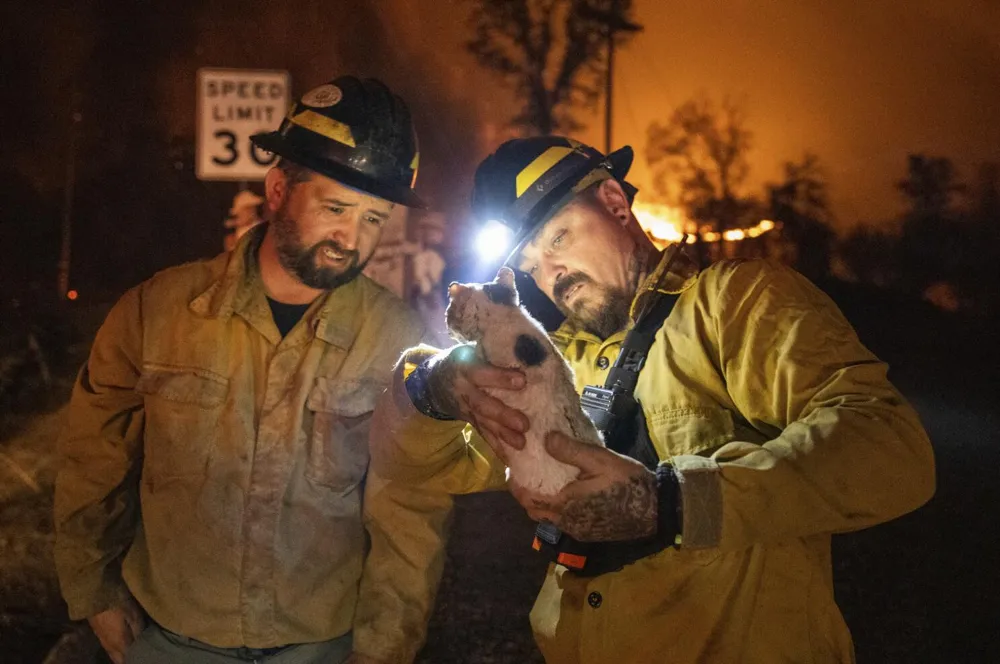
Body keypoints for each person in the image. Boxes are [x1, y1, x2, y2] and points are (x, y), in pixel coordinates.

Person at [366, 136, 936, 663]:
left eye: (558, 237)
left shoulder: (734, 305)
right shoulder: (550, 364)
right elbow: (414, 466)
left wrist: (672, 504)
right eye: (531, 264)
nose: (552, 273)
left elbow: (889, 447)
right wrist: (433, 388)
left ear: (615, 202)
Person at [54, 76, 435, 664]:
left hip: (320, 646)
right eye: (336, 208)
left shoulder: (396, 340)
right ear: (279, 189)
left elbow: (409, 511)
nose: (351, 239)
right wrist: (94, 592)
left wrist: (385, 648)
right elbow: (92, 461)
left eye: (373, 219)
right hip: (169, 638)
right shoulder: (157, 313)